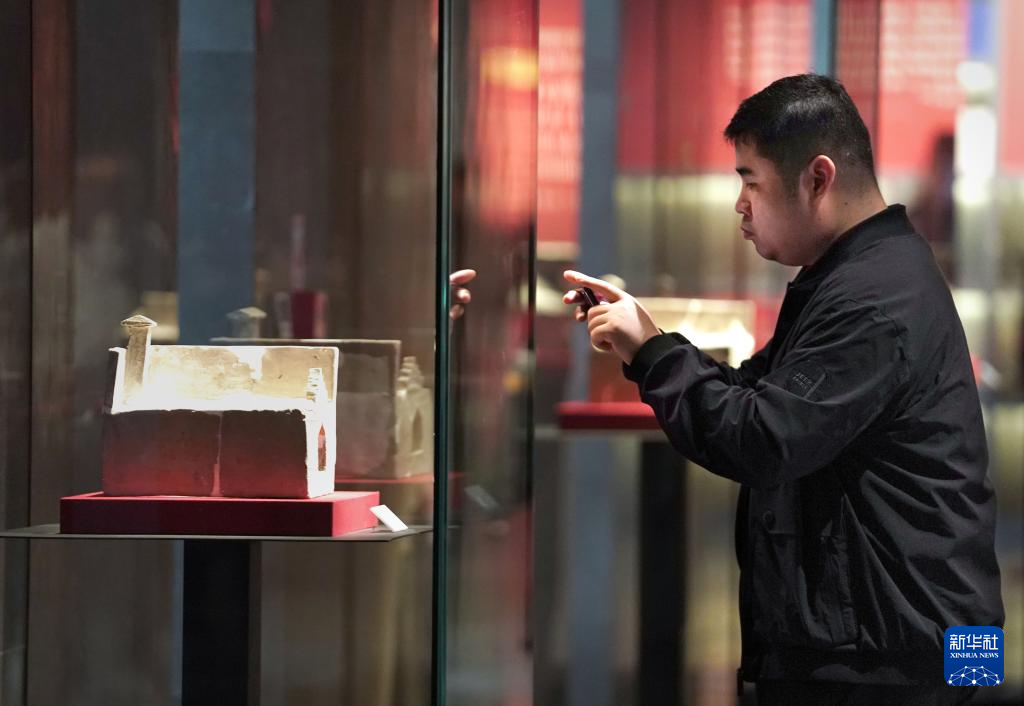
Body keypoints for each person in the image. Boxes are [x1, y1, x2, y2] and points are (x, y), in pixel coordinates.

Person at [563, 74, 1003, 705]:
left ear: (817, 178)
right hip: (892, 642)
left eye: (751, 182)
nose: (739, 205)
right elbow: (756, 394)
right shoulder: (858, 273)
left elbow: (762, 439)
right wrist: (648, 340)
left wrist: (653, 353)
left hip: (894, 658)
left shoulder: (874, 295)